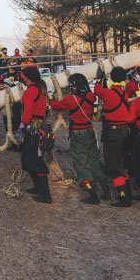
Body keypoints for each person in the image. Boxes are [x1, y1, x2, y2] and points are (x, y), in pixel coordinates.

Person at [49, 73, 109, 204]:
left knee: (81, 166)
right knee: (94, 161)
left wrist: (49, 95)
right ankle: (107, 193)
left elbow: (54, 105)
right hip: (90, 133)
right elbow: (93, 95)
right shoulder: (91, 96)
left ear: (74, 86)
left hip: (78, 136)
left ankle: (94, 196)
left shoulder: (70, 100)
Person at [94, 66, 134, 206]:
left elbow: (97, 90)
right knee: (122, 163)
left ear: (112, 78)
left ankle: (124, 198)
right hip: (124, 131)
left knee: (114, 165)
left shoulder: (108, 94)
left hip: (113, 132)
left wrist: (99, 78)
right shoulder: (125, 94)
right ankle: (128, 193)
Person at [19, 66, 52, 204]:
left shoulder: (31, 91)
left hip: (33, 126)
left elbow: (27, 111)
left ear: (27, 77)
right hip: (39, 125)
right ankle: (38, 187)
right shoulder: (39, 89)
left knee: (35, 159)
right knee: (28, 157)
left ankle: (46, 195)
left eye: (23, 75)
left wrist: (22, 125)